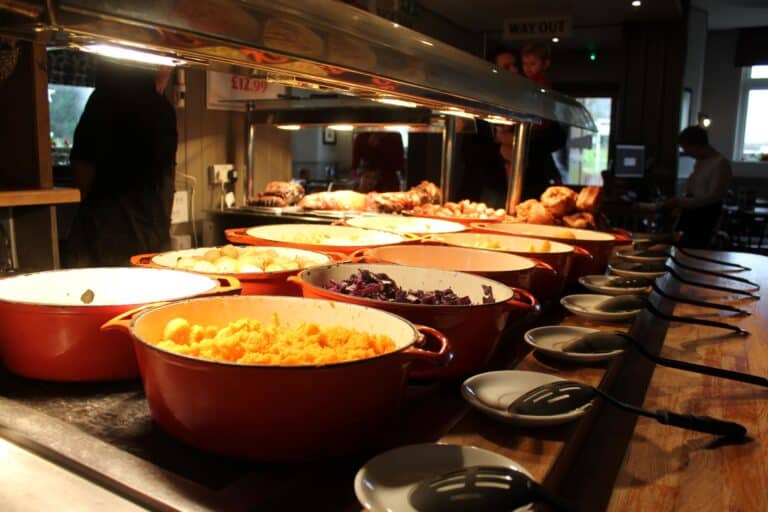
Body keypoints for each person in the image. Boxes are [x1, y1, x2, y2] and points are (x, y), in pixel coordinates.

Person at [63, 59, 178, 267]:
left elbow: (82, 172)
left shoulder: (102, 100)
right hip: (134, 238)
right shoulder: (161, 109)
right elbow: (167, 181)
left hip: (107, 235)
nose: (168, 70)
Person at [663, 125, 732, 248]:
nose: (686, 152)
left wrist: (680, 201)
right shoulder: (701, 161)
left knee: (693, 250)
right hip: (691, 213)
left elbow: (712, 197)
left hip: (704, 217)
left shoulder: (720, 164)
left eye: (686, 148)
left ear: (696, 145)